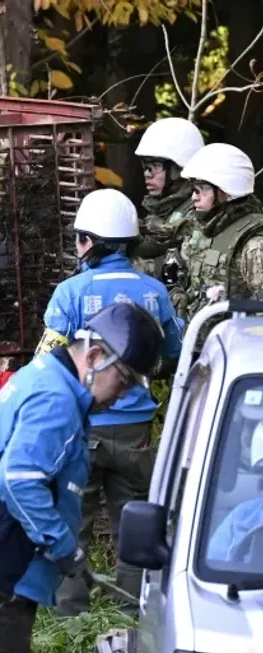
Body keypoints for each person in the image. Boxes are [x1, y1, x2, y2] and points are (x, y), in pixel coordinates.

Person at [0, 302, 165, 653]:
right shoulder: (56, 399)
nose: (121, 397)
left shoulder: (47, 377)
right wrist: (65, 549)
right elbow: (19, 481)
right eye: (123, 381)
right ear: (96, 356)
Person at [34, 189, 183, 616]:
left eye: (80, 238)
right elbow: (173, 352)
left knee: (72, 519)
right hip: (136, 432)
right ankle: (134, 612)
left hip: (83, 428)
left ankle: (71, 615)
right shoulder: (155, 292)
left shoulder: (70, 292)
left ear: (90, 242)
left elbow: (47, 359)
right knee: (134, 524)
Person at [176, 143, 263, 320]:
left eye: (203, 188)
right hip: (198, 341)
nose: (194, 196)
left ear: (227, 191)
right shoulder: (203, 228)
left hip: (234, 344)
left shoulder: (253, 244)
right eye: (194, 188)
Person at [132, 117, 204, 284]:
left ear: (179, 168)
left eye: (155, 165)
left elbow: (173, 270)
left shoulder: (195, 212)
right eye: (145, 166)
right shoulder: (166, 207)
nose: (147, 173)